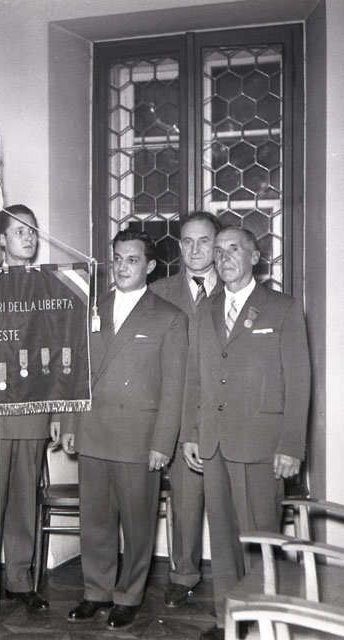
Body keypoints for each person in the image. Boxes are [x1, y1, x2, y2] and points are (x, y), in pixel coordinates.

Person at [181, 226, 310, 640]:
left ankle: (263, 626)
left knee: (260, 541)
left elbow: (299, 381)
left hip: (261, 444)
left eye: (233, 249)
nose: (223, 257)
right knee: (222, 540)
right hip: (214, 442)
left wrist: (291, 445)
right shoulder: (207, 308)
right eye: (218, 251)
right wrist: (190, 433)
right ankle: (229, 622)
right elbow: (195, 378)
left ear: (255, 256)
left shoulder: (282, 308)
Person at [61, 228, 188, 630]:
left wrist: (163, 442)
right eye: (117, 258)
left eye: (132, 260)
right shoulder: (91, 308)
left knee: (136, 525)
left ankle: (128, 596)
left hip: (139, 437)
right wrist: (70, 423)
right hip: (94, 430)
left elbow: (174, 388)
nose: (122, 267)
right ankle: (96, 591)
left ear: (150, 266)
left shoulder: (169, 317)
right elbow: (77, 371)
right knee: (95, 521)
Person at [0, 204, 52, 618]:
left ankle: (20, 579)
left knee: (24, 499)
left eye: (32, 230)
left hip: (33, 408)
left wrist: (58, 412)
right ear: (1, 240)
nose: (29, 237)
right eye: (20, 231)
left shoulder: (50, 287)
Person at [149, 211, 223, 607]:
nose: (195, 250)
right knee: (186, 502)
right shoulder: (158, 293)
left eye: (204, 241)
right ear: (179, 247)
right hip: (179, 417)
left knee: (230, 508)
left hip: (224, 414)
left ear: (217, 244)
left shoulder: (234, 288)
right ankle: (183, 576)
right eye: (188, 242)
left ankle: (240, 584)